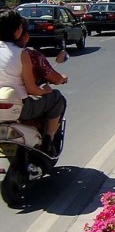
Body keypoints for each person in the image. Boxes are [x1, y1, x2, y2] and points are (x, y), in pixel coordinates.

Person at [0, 9, 66, 157]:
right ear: (17, 32)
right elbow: (32, 89)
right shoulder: (22, 53)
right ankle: (48, 140)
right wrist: (46, 91)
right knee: (57, 98)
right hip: (21, 107)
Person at [16, 18, 68, 87]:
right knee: (56, 95)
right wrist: (62, 78)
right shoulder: (33, 55)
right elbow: (55, 78)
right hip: (23, 94)